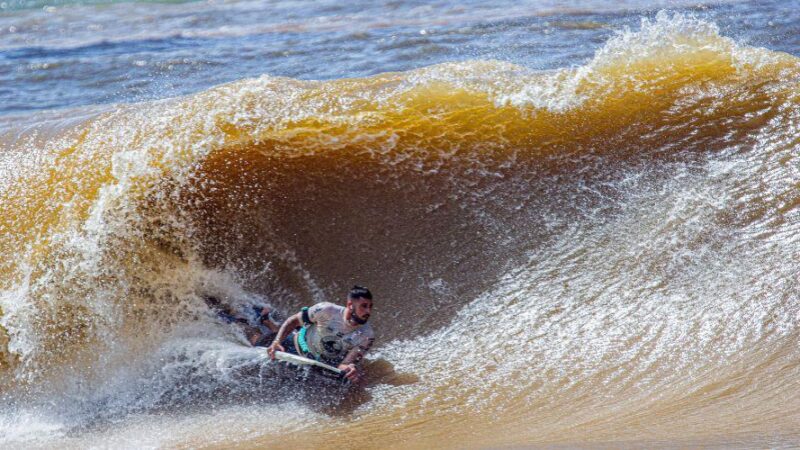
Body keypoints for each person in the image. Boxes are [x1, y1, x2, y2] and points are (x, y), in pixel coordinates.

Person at [267, 286, 375, 383]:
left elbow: (345, 364)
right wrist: (277, 341)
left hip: (318, 365)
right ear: (350, 305)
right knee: (261, 342)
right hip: (294, 346)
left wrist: (350, 370)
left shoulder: (367, 336)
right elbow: (294, 321)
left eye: (370, 306)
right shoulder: (326, 310)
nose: (368, 311)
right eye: (364, 306)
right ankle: (265, 319)